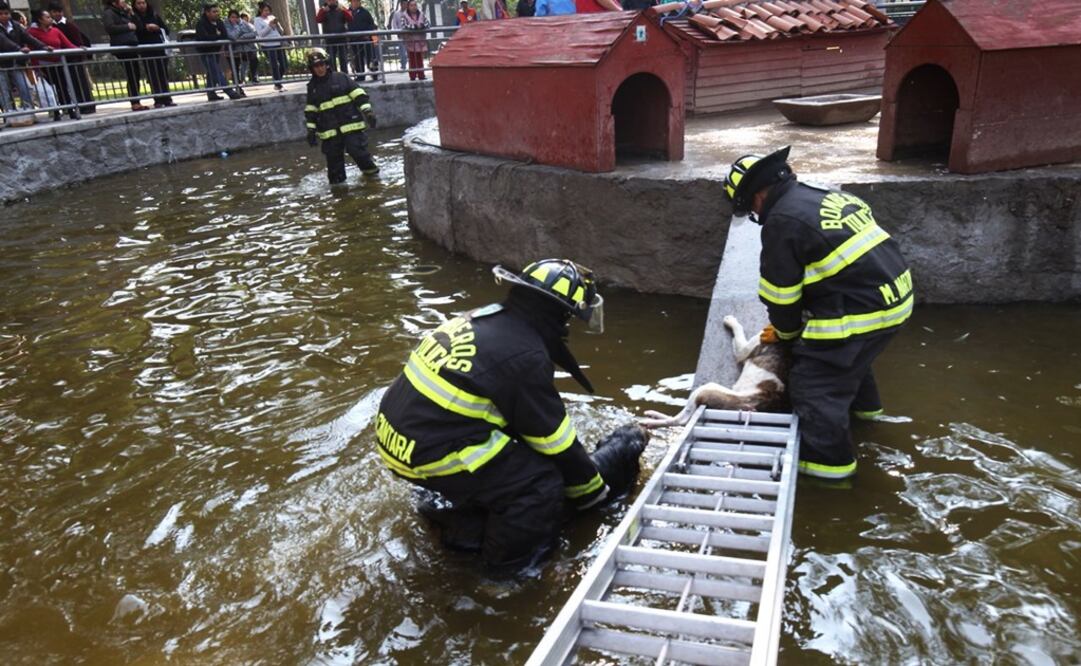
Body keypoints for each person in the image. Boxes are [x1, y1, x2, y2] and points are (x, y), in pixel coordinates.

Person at [376, 259, 612, 571]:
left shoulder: (482, 319)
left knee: (515, 458)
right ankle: (504, 577)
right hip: (428, 451)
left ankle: (459, 517)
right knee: (540, 484)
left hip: (393, 438)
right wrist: (594, 494)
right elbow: (555, 442)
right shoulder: (525, 355)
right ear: (562, 313)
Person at [723, 146, 914, 480]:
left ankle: (829, 476)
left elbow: (780, 298)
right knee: (850, 361)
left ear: (756, 196)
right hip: (895, 300)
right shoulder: (824, 197)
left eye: (749, 207)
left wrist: (783, 333)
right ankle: (868, 417)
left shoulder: (781, 221)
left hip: (860, 312)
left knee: (814, 384)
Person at [303, 48, 379, 184]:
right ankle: (340, 194)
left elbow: (359, 95)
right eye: (316, 66)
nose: (319, 69)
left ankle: (374, 180)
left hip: (351, 126)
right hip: (329, 133)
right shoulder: (312, 87)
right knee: (334, 169)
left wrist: (368, 112)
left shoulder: (341, 78)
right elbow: (311, 110)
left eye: (321, 65)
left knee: (358, 153)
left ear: (327, 64)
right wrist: (311, 130)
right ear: (311, 69)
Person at [1, 1, 48, 126]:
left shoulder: (15, 25)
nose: (4, 16)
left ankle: (30, 114)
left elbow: (28, 38)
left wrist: (43, 46)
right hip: (2, 65)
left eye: (6, 13)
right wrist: (18, 49)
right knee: (5, 91)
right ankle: (9, 117)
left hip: (16, 63)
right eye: (1, 14)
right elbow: (3, 41)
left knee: (25, 88)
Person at [26, 9, 78, 120]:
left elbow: (68, 44)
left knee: (62, 87)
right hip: (44, 65)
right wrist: (37, 68)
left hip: (58, 63)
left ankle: (69, 109)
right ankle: (55, 112)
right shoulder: (32, 32)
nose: (50, 19)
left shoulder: (56, 31)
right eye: (47, 17)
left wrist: (79, 49)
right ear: (40, 20)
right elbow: (32, 51)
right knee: (49, 90)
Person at [46, 1, 94, 114]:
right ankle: (69, 107)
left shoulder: (69, 25)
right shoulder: (51, 27)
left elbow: (78, 41)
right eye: (54, 12)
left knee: (80, 83)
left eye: (59, 11)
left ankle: (87, 106)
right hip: (60, 61)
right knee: (64, 85)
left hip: (73, 59)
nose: (57, 14)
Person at [101, 0, 150, 111]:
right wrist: (127, 27)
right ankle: (134, 102)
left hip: (131, 45)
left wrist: (132, 13)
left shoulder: (124, 12)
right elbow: (110, 28)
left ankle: (136, 100)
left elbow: (139, 26)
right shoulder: (109, 13)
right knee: (131, 73)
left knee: (135, 73)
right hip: (122, 47)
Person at [131, 0, 173, 108]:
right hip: (146, 51)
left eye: (143, 3)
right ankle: (158, 99)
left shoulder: (154, 15)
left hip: (159, 49)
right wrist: (146, 28)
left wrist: (157, 28)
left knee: (163, 74)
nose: (141, 6)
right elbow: (137, 30)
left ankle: (167, 98)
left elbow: (166, 30)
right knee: (152, 75)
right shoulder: (134, 17)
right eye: (138, 3)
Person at [194, 3, 241, 101]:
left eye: (217, 11)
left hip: (215, 51)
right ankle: (229, 91)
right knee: (216, 71)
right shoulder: (201, 23)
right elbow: (204, 38)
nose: (216, 13)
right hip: (206, 52)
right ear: (207, 13)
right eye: (214, 12)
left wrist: (217, 37)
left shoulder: (219, 22)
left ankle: (211, 93)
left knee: (212, 72)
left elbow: (224, 34)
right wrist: (217, 36)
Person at [253, 2, 285, 91]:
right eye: (265, 10)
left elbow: (280, 31)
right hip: (268, 45)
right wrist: (269, 26)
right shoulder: (257, 20)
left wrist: (278, 25)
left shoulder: (272, 17)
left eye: (268, 10)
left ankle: (278, 80)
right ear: (260, 10)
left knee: (284, 64)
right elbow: (261, 34)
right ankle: (278, 84)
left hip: (278, 43)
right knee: (274, 64)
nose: (267, 12)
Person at [315, 0, 351, 75]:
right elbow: (318, 20)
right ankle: (333, 77)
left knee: (343, 59)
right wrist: (323, 11)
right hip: (330, 40)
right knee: (331, 60)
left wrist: (343, 10)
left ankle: (345, 76)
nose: (331, 1)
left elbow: (350, 18)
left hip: (342, 39)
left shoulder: (341, 8)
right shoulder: (323, 9)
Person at [347, 0, 379, 83]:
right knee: (357, 59)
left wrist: (368, 33)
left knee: (370, 57)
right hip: (354, 40)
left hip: (366, 40)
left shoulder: (365, 12)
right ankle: (360, 75)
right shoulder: (347, 13)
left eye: (357, 1)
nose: (356, 2)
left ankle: (374, 73)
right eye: (354, 1)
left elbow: (372, 24)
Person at [224, 9, 257, 85]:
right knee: (235, 70)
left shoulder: (243, 23)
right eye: (232, 17)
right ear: (229, 17)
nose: (234, 19)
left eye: (236, 17)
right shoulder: (226, 25)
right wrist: (237, 26)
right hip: (232, 51)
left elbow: (254, 33)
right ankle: (238, 88)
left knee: (251, 62)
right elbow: (233, 36)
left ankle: (245, 82)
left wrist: (243, 36)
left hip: (243, 50)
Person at [400, 0, 427, 81]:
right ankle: (412, 76)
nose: (414, 7)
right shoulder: (404, 15)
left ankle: (421, 75)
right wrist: (416, 27)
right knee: (412, 59)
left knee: (420, 59)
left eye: (415, 5)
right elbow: (404, 26)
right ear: (408, 6)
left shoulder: (421, 14)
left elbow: (427, 24)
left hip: (420, 41)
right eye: (412, 5)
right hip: (410, 41)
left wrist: (421, 26)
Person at [387, 0, 407, 71]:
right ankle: (403, 65)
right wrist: (397, 32)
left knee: (409, 50)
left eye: (406, 4)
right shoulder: (396, 13)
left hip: (408, 35)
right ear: (401, 4)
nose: (405, 5)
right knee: (401, 50)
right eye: (403, 4)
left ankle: (411, 64)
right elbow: (394, 23)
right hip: (400, 34)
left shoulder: (408, 13)